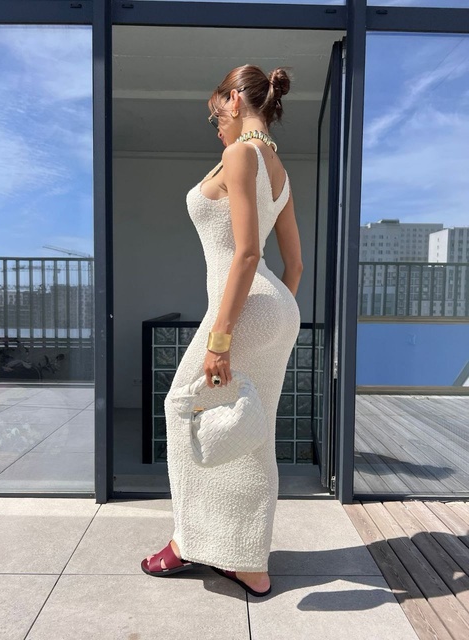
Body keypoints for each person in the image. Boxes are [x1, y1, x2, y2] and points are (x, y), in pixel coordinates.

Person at [141, 64, 303, 597]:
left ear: (235, 100)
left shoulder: (239, 154)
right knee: (251, 429)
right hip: (276, 309)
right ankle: (246, 560)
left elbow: (247, 253)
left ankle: (189, 542)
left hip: (248, 311)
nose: (216, 127)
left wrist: (223, 338)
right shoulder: (278, 168)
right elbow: (295, 265)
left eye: (217, 115)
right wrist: (274, 321)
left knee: (181, 407)